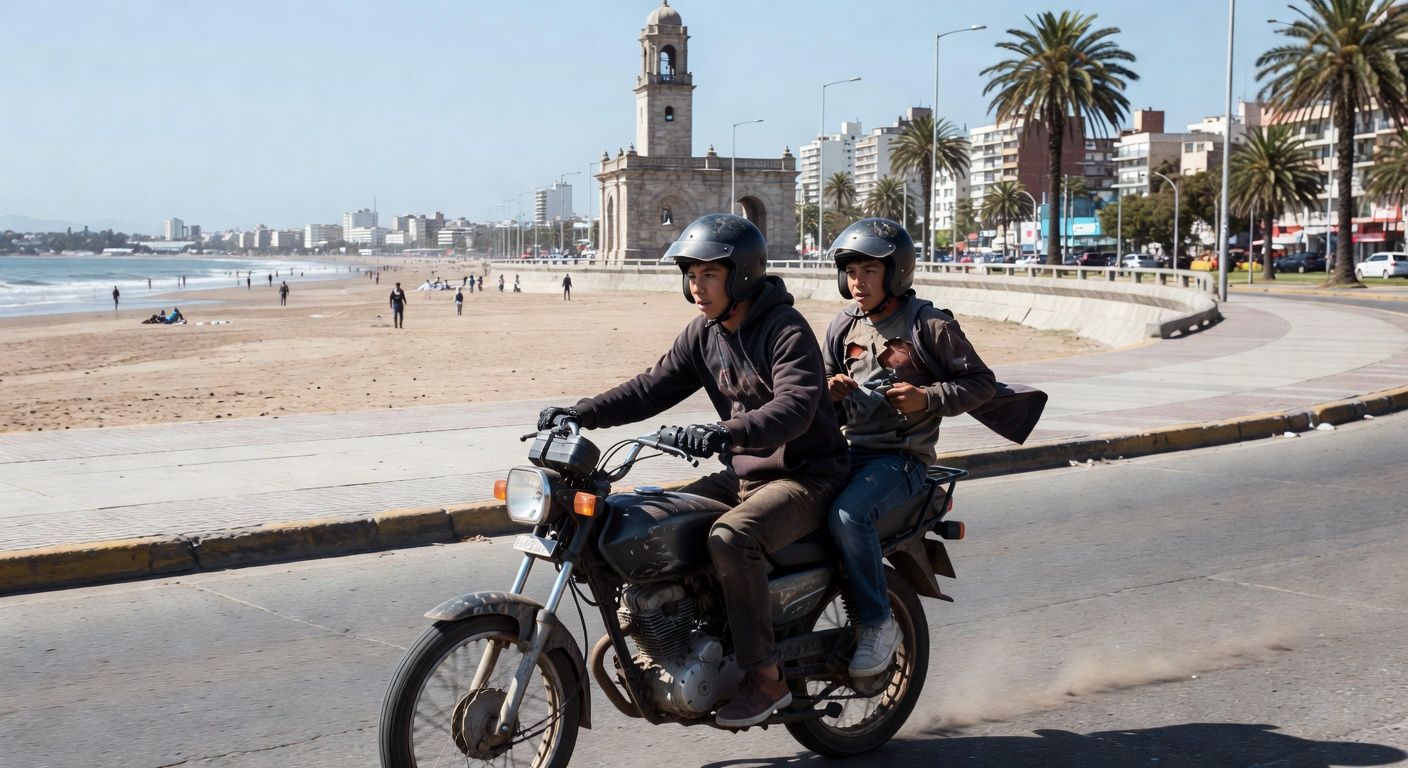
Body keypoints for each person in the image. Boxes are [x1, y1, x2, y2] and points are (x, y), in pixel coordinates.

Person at [538, 213, 848, 728]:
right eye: (691, 275)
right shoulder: (704, 333)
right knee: (648, 519)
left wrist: (727, 432)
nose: (696, 287)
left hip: (806, 474)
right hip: (744, 474)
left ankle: (767, 678)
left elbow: (796, 405)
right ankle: (676, 632)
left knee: (731, 538)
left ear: (741, 275)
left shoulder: (784, 328)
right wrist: (582, 412)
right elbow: (649, 387)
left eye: (708, 275)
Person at [821, 218, 1044, 676]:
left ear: (896, 272)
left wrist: (929, 397)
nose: (857, 281)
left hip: (902, 460)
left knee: (849, 515)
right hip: (848, 450)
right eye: (850, 271)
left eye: (868, 271)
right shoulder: (843, 325)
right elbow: (818, 385)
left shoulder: (929, 324)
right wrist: (832, 390)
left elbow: (980, 382)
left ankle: (878, 622)